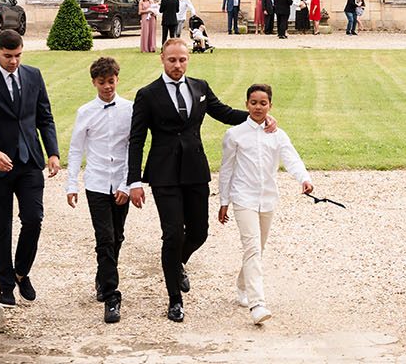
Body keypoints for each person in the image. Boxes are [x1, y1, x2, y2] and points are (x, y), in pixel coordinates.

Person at [126, 37, 269, 322]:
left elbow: (225, 113)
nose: (177, 65)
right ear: (162, 60)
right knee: (172, 234)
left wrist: (259, 116)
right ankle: (174, 300)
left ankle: (177, 264)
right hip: (164, 174)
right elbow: (137, 140)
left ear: (188, 59)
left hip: (195, 171)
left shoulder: (200, 88)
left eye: (182, 59)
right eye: (172, 60)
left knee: (199, 232)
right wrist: (134, 181)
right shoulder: (148, 94)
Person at [0, 29, 61, 308]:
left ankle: (21, 272)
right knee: (2, 225)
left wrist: (53, 152)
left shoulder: (33, 76)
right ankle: (5, 285)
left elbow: (45, 117)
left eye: (18, 55)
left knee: (33, 219)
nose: (14, 61)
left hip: (29, 160)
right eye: (8, 56)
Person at [218, 83, 313, 325]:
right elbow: (226, 169)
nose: (258, 107)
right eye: (253, 102)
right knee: (251, 248)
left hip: (268, 199)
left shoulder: (278, 135)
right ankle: (257, 304)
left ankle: (242, 286)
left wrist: (304, 178)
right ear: (246, 104)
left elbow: (291, 157)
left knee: (257, 249)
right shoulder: (235, 135)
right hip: (243, 199)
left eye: (263, 103)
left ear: (270, 105)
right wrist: (224, 201)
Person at [67, 55, 133, 325]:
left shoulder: (129, 109)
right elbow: (76, 149)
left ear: (117, 79)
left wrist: (127, 184)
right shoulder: (85, 112)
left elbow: (133, 147)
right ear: (94, 82)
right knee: (104, 238)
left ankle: (102, 276)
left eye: (111, 81)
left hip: (120, 181)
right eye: (102, 82)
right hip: (95, 183)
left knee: (117, 237)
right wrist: (71, 184)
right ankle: (111, 295)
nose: (107, 86)